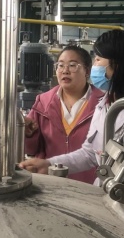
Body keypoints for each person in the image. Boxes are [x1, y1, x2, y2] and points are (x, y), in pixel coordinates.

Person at [19, 29, 124, 183]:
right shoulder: (105, 102)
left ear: (116, 64)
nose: (94, 66)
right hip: (106, 189)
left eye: (98, 59)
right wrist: (49, 164)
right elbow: (90, 154)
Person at [24, 45, 105, 184]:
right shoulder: (43, 103)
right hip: (50, 183)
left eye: (72, 65)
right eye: (60, 65)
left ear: (87, 71)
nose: (65, 71)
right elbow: (31, 150)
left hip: (88, 186)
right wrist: (28, 134)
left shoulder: (103, 103)